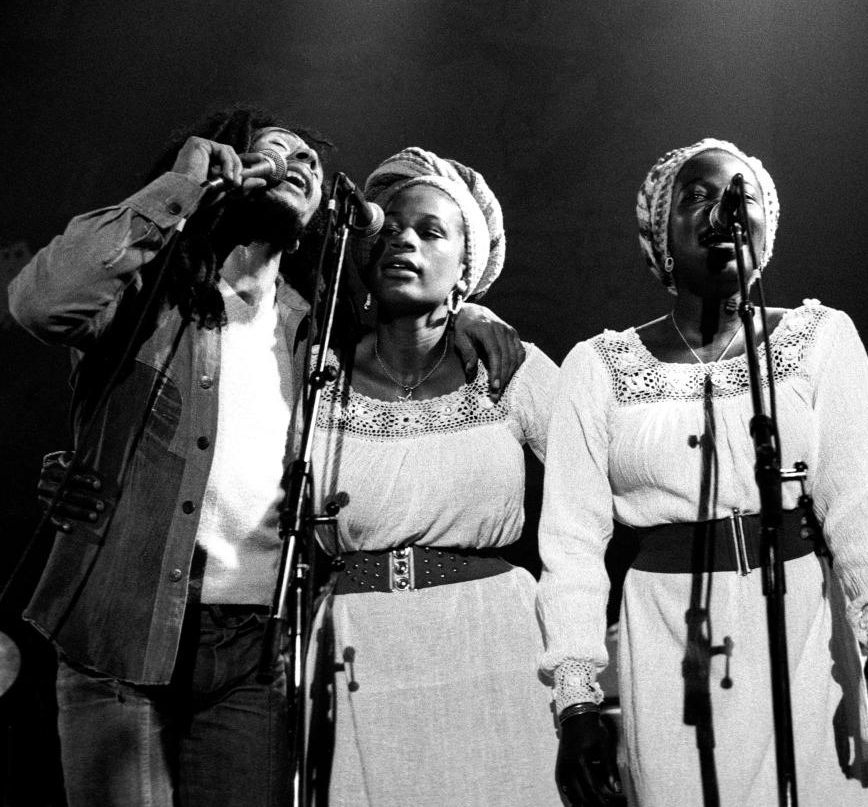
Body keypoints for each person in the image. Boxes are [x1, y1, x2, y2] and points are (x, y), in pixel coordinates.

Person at [7, 108, 523, 806]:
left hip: (256, 654)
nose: (300, 165)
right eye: (276, 152)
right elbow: (40, 302)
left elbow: (410, 326)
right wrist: (177, 187)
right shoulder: (144, 295)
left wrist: (465, 312)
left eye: (312, 162)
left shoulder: (318, 331)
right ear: (228, 166)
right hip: (121, 633)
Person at [537, 139, 868, 806]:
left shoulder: (820, 338)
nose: (722, 207)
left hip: (805, 622)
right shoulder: (597, 367)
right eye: (695, 195)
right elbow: (572, 544)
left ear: (764, 230)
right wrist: (576, 701)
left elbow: (866, 497)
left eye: (739, 193)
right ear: (662, 236)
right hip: (666, 632)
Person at [302, 147, 560, 806]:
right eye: (387, 229)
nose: (402, 240)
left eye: (429, 230)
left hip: (492, 642)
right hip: (359, 649)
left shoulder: (507, 366)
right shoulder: (317, 373)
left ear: (464, 268)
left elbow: (604, 476)